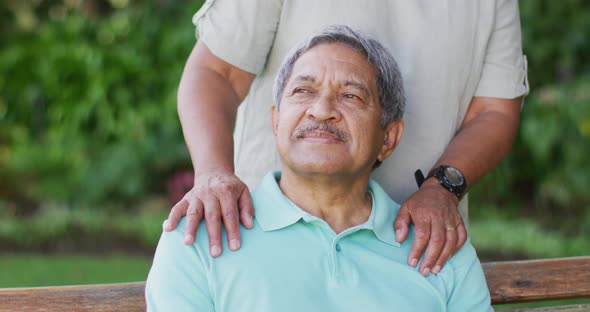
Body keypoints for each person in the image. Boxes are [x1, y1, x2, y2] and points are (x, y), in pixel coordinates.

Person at [167, 0, 529, 275]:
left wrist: (442, 189)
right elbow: (217, 72)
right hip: (260, 234)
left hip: (415, 250)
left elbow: (493, 112)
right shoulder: (198, 254)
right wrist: (213, 173)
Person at [146, 26, 493, 311]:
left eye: (351, 96)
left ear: (388, 138)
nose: (322, 109)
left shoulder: (439, 247)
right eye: (303, 90)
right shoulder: (198, 235)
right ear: (276, 121)